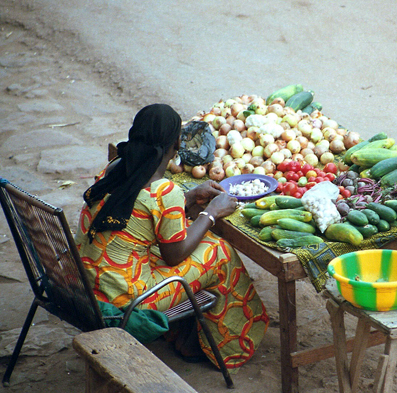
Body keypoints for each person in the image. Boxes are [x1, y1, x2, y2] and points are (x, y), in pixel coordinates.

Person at [74, 103, 269, 369]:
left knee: (202, 241)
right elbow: (174, 254)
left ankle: (186, 333)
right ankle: (225, 346)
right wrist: (211, 213)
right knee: (219, 252)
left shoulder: (115, 167)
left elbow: (139, 210)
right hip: (124, 300)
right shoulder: (164, 191)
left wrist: (188, 198)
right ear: (176, 143)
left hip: (88, 280)